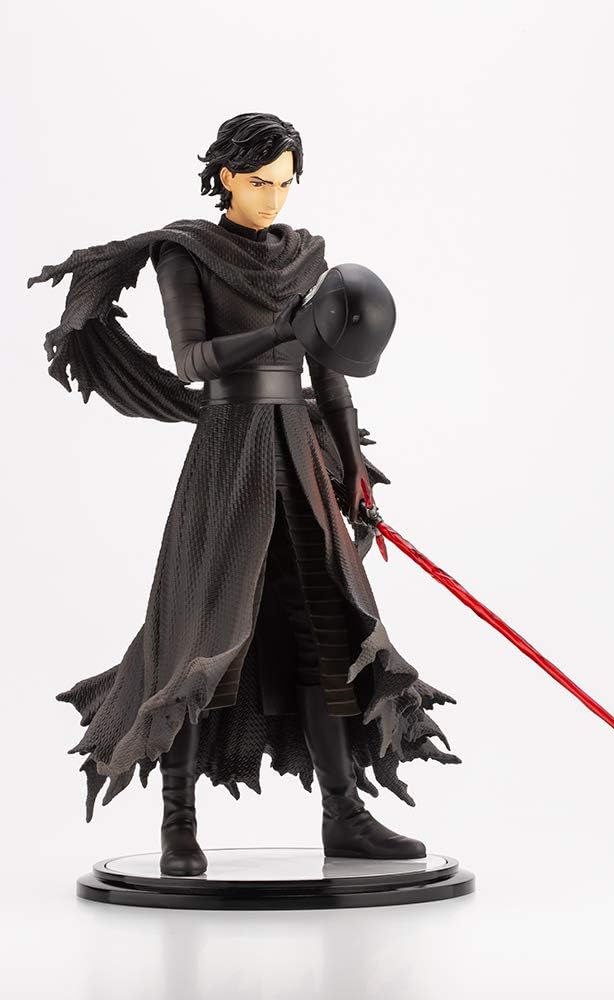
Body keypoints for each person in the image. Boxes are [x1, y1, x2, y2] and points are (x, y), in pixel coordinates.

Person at [28, 112, 460, 878]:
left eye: (286, 183)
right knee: (200, 639)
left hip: (301, 458)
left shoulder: (305, 256)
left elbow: (330, 374)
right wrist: (282, 330)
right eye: (260, 182)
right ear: (225, 175)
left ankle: (344, 817)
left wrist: (353, 469)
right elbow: (193, 361)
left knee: (331, 638)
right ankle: (178, 824)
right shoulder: (186, 251)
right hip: (229, 454)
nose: (274, 198)